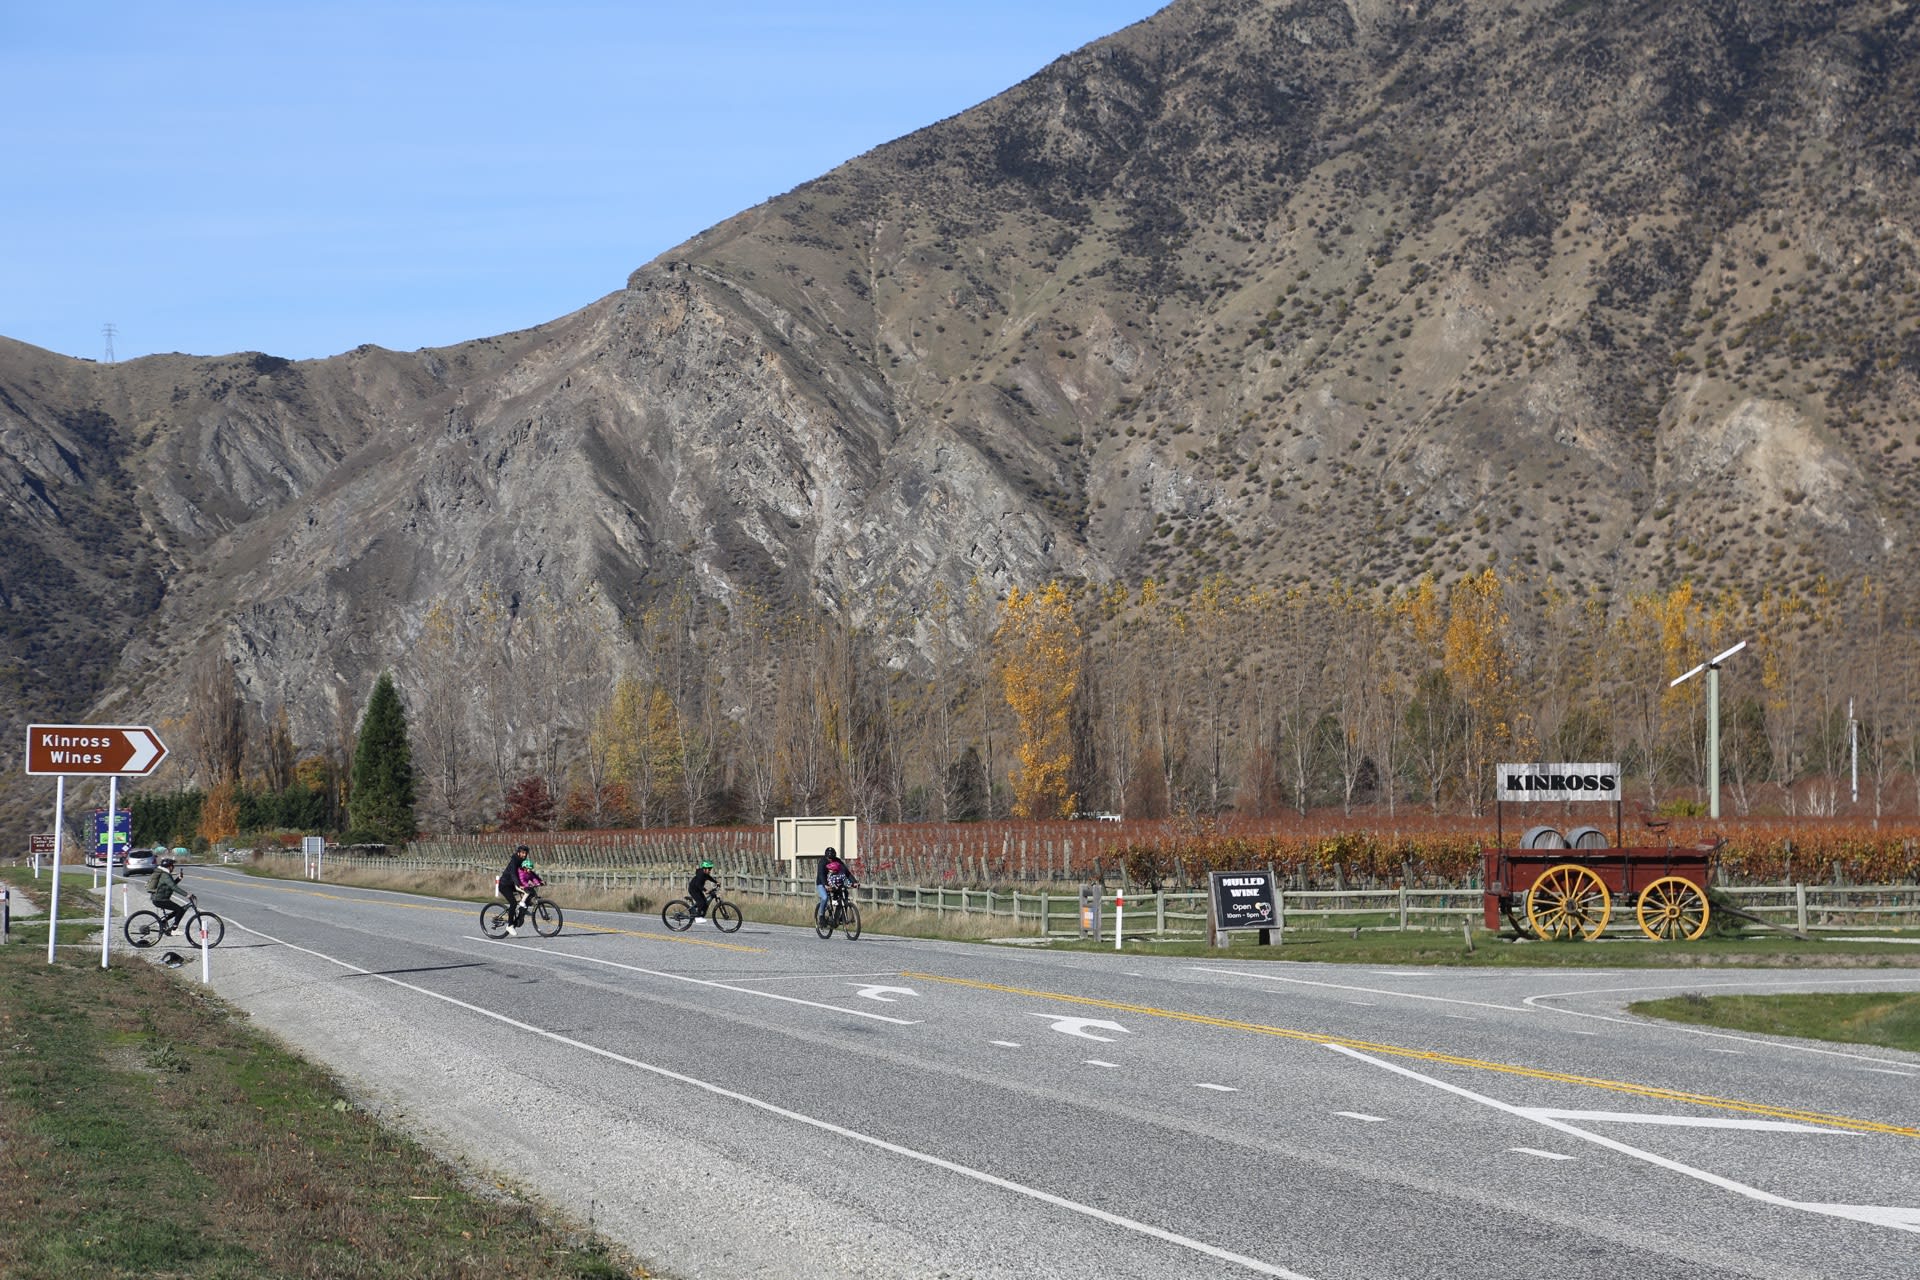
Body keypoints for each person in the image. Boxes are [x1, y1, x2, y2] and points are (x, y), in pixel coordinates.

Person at [150, 857, 190, 934]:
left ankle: (163, 922)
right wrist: (186, 894)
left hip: (159, 898)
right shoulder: (165, 875)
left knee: (177, 910)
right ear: (170, 866)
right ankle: (174, 929)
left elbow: (169, 885)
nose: (173, 867)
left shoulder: (164, 874)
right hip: (160, 899)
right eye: (173, 866)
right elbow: (173, 887)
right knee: (180, 910)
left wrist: (178, 879)